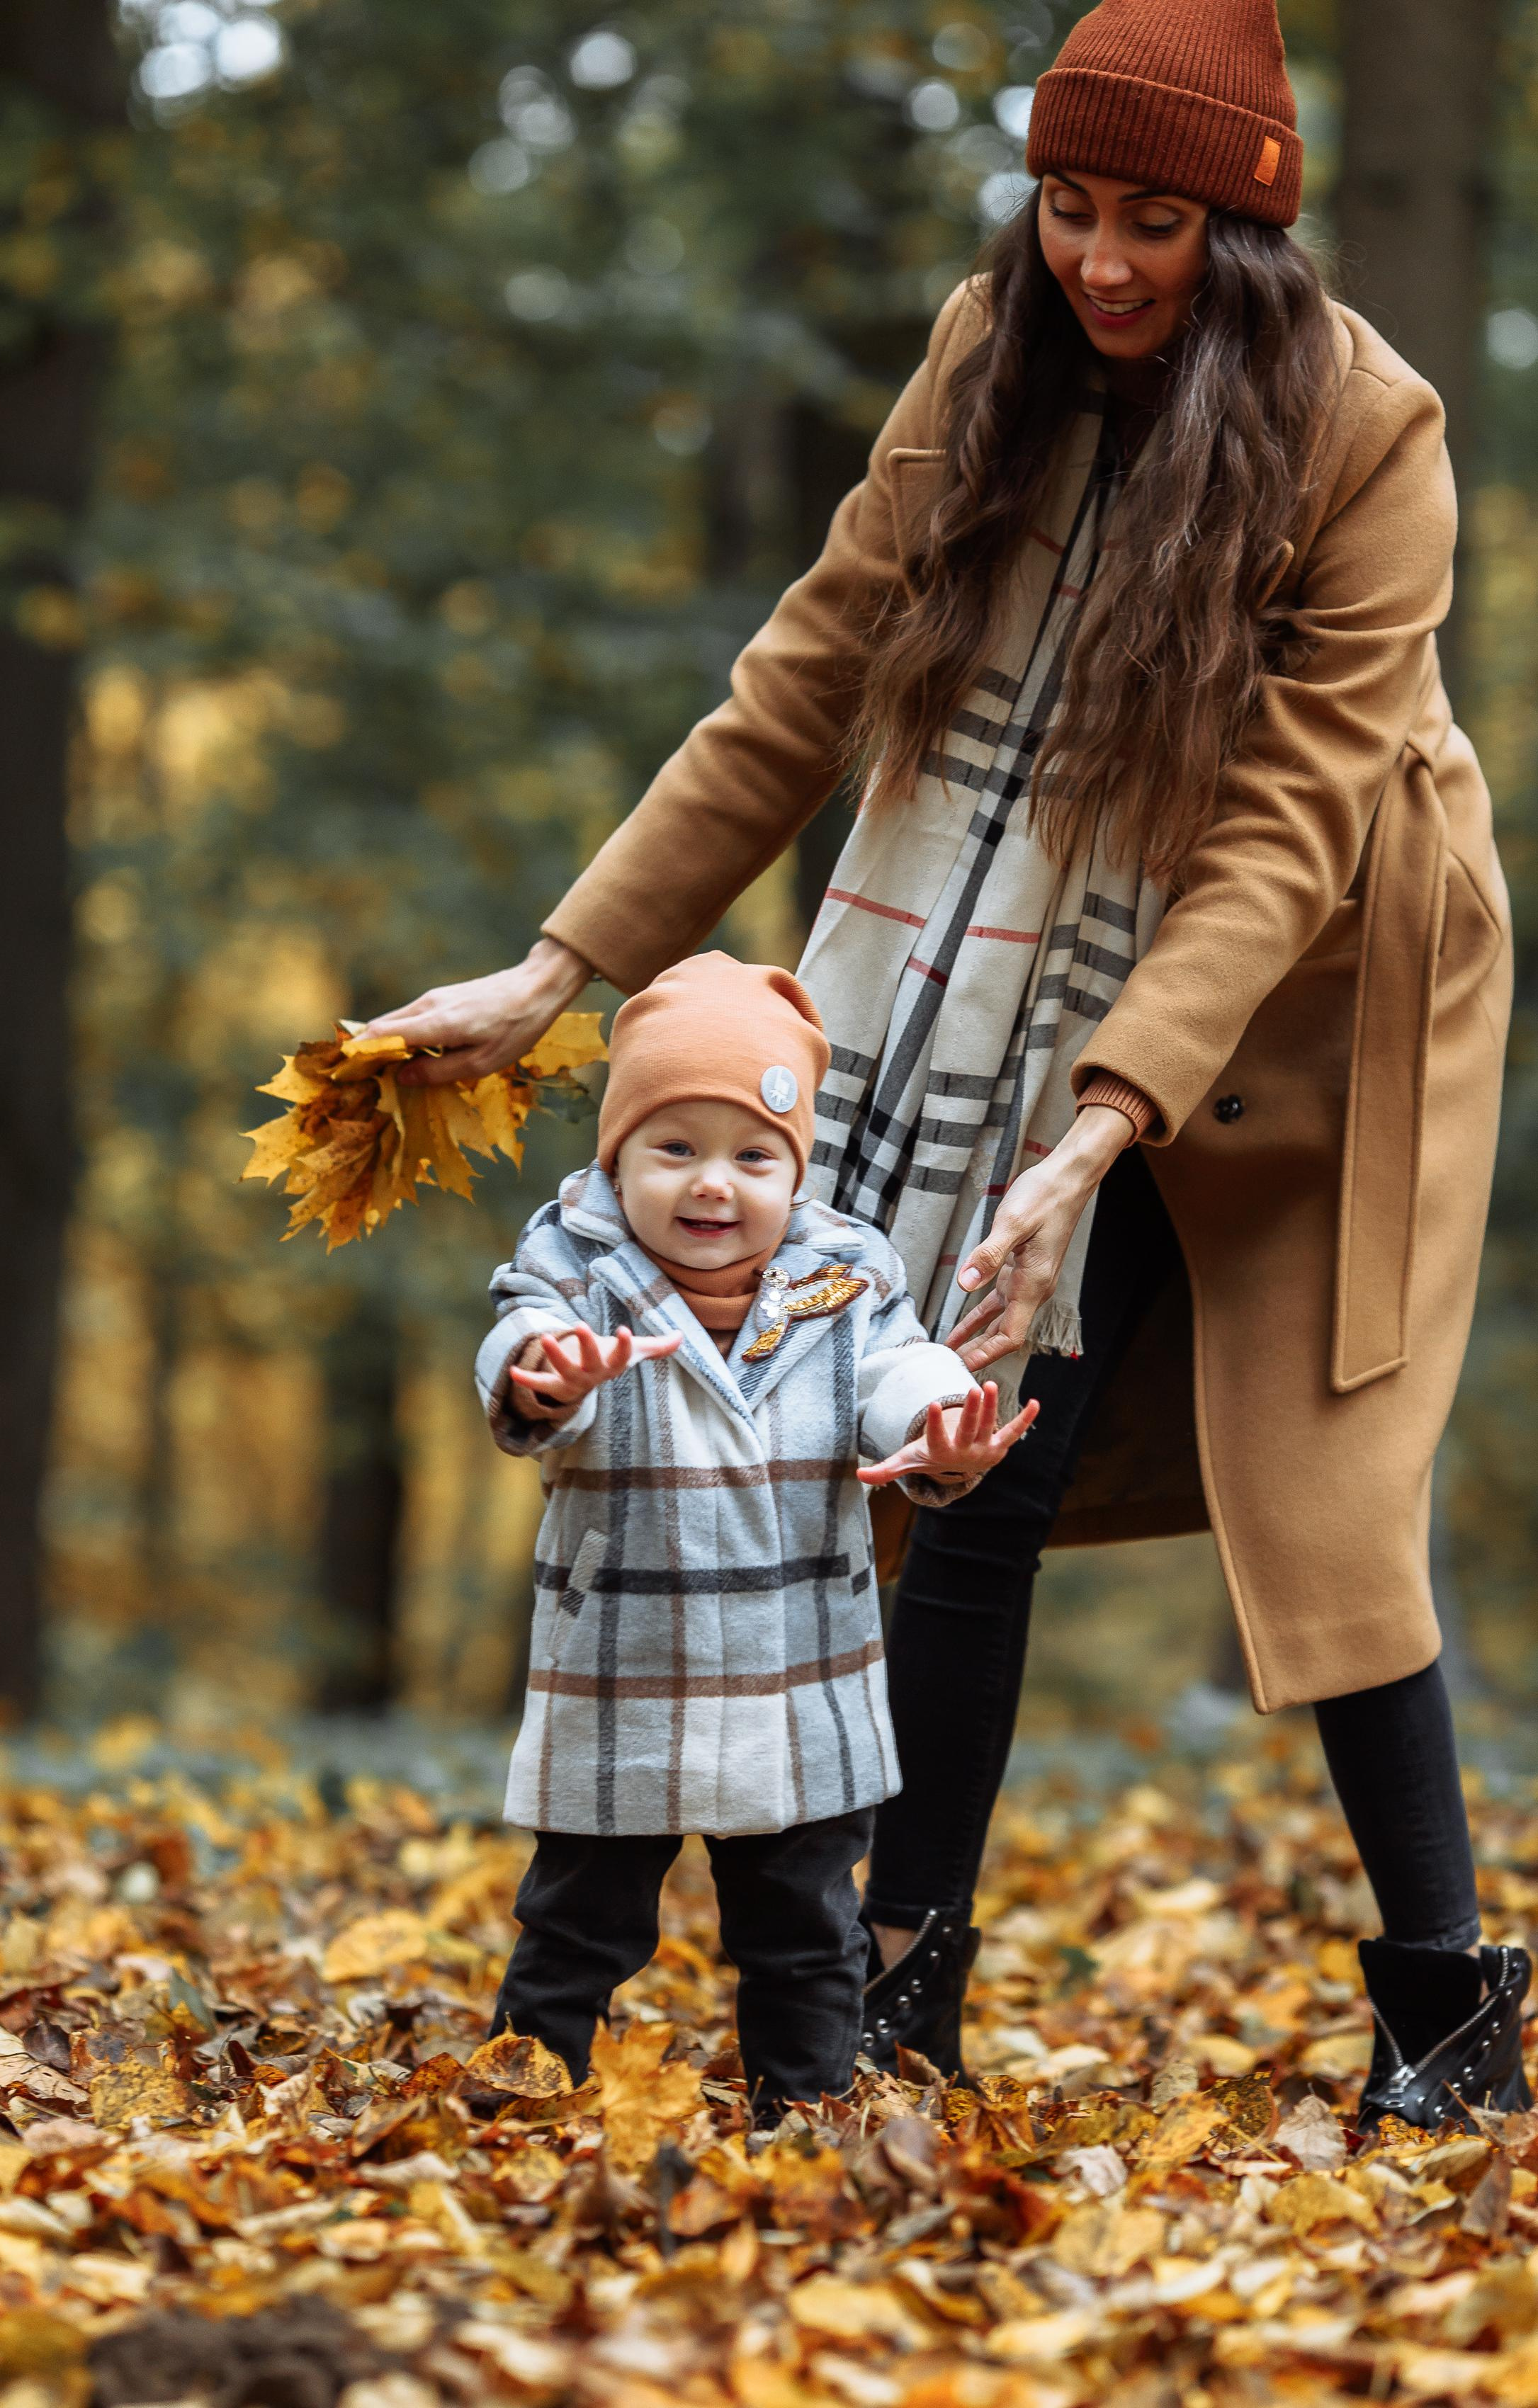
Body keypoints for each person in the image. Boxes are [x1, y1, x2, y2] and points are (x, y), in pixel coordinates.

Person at [375, 0, 1529, 2130]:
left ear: (1247, 230)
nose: (1099, 258)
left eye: (1155, 222)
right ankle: (900, 1998)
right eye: (1067, 205)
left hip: (1328, 984)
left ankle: (1450, 2010)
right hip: (1007, 940)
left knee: (1334, 1492)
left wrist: (1094, 1129)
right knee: (966, 1444)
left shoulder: (1371, 432)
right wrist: (556, 969)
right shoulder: (983, 355)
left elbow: (1281, 835)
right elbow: (810, 670)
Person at [475, 953, 1036, 2121]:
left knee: (806, 1926)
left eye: (752, 1156)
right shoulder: (571, 1266)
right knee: (580, 1918)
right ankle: (520, 2100)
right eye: (673, 1148)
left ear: (797, 1168)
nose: (712, 1186)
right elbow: (522, 1348)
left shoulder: (847, 1271)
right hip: (626, 1659)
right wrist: (549, 1377)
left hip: (797, 1668)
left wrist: (938, 1426)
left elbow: (897, 1370)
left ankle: (807, 2112)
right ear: (616, 1156)